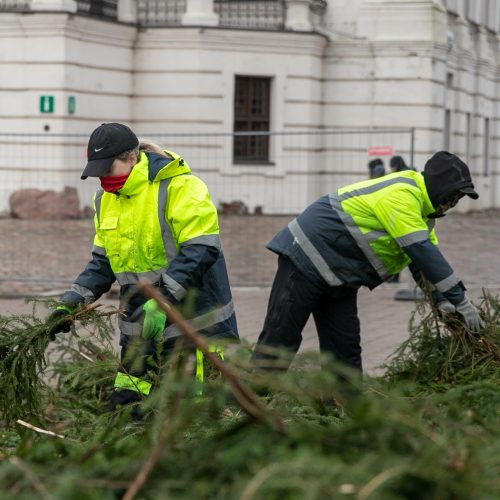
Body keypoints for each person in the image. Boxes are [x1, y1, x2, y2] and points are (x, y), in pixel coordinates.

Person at [48, 123, 239, 412]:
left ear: (132, 158)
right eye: (96, 171)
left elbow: (201, 250)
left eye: (106, 169)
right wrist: (72, 302)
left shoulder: (179, 185)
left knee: (196, 414)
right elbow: (103, 262)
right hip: (142, 328)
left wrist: (162, 300)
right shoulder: (105, 199)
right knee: (128, 408)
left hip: (195, 323)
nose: (102, 179)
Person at [251, 151, 483, 373]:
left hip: (339, 275)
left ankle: (344, 411)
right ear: (439, 186)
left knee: (344, 350)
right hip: (306, 258)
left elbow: (421, 264)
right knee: (280, 339)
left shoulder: (423, 215)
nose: (454, 202)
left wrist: (443, 301)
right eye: (454, 195)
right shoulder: (403, 194)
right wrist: (461, 301)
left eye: (459, 198)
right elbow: (422, 251)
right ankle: (249, 407)